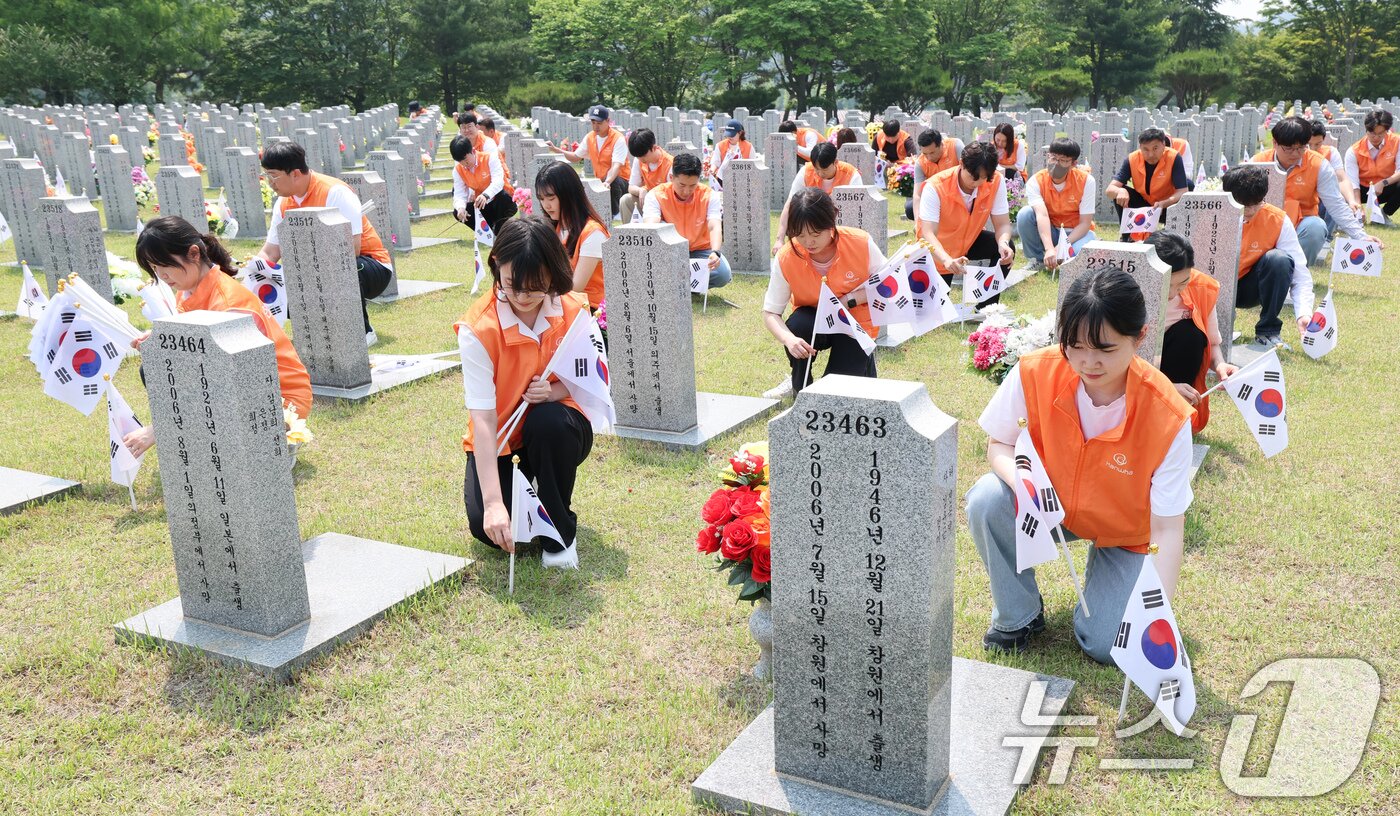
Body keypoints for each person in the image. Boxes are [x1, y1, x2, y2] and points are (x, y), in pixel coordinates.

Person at [966, 267, 1195, 658]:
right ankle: (1018, 615)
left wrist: (1158, 618)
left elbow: (1168, 529)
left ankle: (1108, 585)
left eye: (1105, 349)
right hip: (1049, 506)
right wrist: (1021, 483)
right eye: (1075, 346)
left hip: (1125, 533)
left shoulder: (1167, 415)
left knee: (1109, 646)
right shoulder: (1035, 371)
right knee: (987, 499)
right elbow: (999, 443)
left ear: (1139, 337)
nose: (1088, 362)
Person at [455, 216, 594, 569]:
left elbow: (591, 376)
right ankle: (524, 496)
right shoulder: (478, 329)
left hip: (558, 429)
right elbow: (483, 420)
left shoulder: (573, 310)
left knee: (548, 424)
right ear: (496, 265)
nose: (521, 297)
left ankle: (559, 536)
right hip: (502, 438)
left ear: (552, 275)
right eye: (511, 284)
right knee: (488, 528)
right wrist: (493, 504)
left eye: (534, 287)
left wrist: (553, 392)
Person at [121, 216, 313, 458]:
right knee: (154, 366)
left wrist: (160, 427)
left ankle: (274, 446)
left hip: (279, 398)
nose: (162, 275)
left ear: (193, 253)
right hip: (240, 385)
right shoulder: (188, 290)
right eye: (154, 268)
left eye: (164, 265)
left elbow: (228, 379)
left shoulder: (229, 304)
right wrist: (161, 338)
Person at [256, 141, 392, 345]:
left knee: (337, 269)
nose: (270, 183)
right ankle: (321, 330)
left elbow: (351, 249)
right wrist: (254, 270)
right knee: (273, 281)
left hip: (368, 266)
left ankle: (362, 332)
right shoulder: (283, 203)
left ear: (295, 173)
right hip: (317, 267)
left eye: (273, 176)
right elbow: (271, 252)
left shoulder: (335, 192)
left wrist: (307, 267)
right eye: (267, 175)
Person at [763, 188, 885, 394]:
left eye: (815, 234)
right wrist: (789, 340)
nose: (808, 242)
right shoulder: (787, 256)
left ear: (831, 222)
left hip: (854, 323)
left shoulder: (860, 243)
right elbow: (770, 312)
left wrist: (848, 300)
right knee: (797, 326)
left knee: (836, 392)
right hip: (813, 321)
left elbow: (887, 283)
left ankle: (863, 366)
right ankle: (799, 385)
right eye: (800, 235)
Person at [1251, 116, 1376, 264]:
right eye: (1289, 148)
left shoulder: (1318, 164)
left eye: (1301, 148)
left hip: (1302, 226)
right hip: (1263, 224)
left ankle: (1297, 272)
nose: (1295, 154)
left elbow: (1336, 204)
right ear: (1275, 143)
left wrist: (1361, 237)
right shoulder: (1257, 163)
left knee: (1316, 227)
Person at [1144, 232, 1235, 433]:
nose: (1172, 293)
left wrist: (1220, 365)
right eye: (1166, 284)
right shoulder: (1126, 286)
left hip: (1171, 367)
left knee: (1191, 335)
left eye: (1182, 283)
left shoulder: (1201, 287)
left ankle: (1171, 418)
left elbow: (1211, 342)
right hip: (1130, 371)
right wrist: (1164, 387)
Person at [1221, 165, 1314, 349]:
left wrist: (1304, 313)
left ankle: (1268, 331)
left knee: (1279, 260)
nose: (1250, 211)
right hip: (1216, 285)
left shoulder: (1277, 219)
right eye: (1243, 205)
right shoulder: (1213, 212)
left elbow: (1300, 273)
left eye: (1256, 204)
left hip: (1249, 288)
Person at [917, 141, 1015, 307]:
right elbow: (928, 234)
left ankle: (986, 308)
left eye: (984, 178)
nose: (977, 183)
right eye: (973, 176)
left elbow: (1002, 224)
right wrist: (946, 260)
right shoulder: (936, 187)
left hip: (969, 241)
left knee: (1005, 248)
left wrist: (1003, 243)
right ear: (961, 163)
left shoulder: (996, 181)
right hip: (937, 253)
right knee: (935, 312)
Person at [642, 153, 731, 289]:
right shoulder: (656, 195)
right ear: (671, 178)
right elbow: (650, 226)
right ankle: (687, 283)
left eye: (692, 185)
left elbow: (714, 226)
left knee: (722, 274)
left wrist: (715, 252)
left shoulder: (709, 195)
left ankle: (680, 285)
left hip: (700, 250)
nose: (686, 191)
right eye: (682, 185)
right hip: (670, 250)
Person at [534, 162, 609, 311]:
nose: (546, 205)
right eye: (541, 199)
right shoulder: (555, 227)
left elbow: (575, 287)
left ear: (569, 195)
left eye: (551, 198)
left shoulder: (592, 233)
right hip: (563, 303)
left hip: (591, 310)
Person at [1017, 138, 1097, 272]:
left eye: (1063, 160)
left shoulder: (1086, 181)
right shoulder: (1036, 181)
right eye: (1053, 158)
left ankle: (1070, 253)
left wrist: (1062, 247)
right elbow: (1041, 215)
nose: (1056, 164)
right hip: (1052, 230)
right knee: (1025, 214)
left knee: (1076, 259)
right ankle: (1036, 259)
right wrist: (1049, 248)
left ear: (1073, 163)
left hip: (1076, 233)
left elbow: (1085, 223)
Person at [773, 143, 863, 252]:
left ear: (835, 162)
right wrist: (779, 239)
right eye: (816, 169)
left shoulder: (852, 175)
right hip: (810, 227)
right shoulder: (806, 172)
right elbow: (790, 204)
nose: (820, 173)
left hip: (840, 229)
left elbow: (856, 213)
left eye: (824, 170)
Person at [1104, 128, 1190, 239]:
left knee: (1188, 189)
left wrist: (1164, 203)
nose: (1151, 154)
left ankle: (1173, 235)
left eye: (1155, 148)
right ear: (1140, 147)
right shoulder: (1132, 159)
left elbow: (1182, 191)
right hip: (1144, 204)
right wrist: (1120, 191)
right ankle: (1127, 237)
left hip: (1166, 206)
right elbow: (1109, 190)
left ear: (1163, 145)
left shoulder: (1174, 157)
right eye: (1146, 149)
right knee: (1121, 193)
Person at [548, 105, 630, 218]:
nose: (596, 126)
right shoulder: (590, 137)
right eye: (593, 122)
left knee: (613, 183)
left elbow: (616, 166)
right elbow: (576, 157)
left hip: (621, 181)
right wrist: (557, 150)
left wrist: (607, 182)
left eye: (599, 123)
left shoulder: (617, 138)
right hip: (601, 180)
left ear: (608, 121)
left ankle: (614, 215)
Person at [450, 134, 517, 236]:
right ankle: (488, 232)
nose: (464, 165)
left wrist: (486, 195)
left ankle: (499, 229)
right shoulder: (458, 170)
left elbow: (498, 181)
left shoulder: (489, 158)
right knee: (457, 212)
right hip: (482, 205)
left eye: (466, 160)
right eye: (460, 162)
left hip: (501, 201)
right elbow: (459, 193)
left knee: (502, 196)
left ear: (473, 151)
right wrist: (460, 208)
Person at [1308, 118, 1364, 228]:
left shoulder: (1331, 152)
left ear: (1323, 139)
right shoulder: (1296, 154)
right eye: (1309, 144)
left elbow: (1341, 179)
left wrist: (1351, 201)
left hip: (1323, 198)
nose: (1313, 149)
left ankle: (1328, 235)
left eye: (1317, 144)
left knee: (1336, 195)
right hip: (1305, 199)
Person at [1345, 108, 1400, 218]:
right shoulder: (1354, 151)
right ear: (1366, 130)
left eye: (1380, 134)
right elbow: (1353, 184)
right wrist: (1358, 207)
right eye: (1372, 133)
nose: (1376, 138)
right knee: (1341, 189)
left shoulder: (1397, 142)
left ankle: (1384, 214)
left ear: (1387, 131)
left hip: (1386, 187)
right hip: (1363, 190)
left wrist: (1383, 183)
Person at [907, 129, 964, 224]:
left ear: (941, 144)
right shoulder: (920, 163)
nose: (929, 157)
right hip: (937, 198)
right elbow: (917, 195)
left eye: (932, 153)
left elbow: (969, 172)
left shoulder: (955, 146)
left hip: (959, 195)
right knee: (910, 209)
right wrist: (917, 222)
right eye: (925, 154)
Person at [618, 128, 673, 224]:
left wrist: (652, 196)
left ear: (654, 148)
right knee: (625, 200)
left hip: (665, 205)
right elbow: (631, 187)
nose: (641, 160)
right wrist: (640, 190)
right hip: (647, 201)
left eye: (644, 156)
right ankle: (630, 232)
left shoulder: (670, 164)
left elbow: (671, 196)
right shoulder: (639, 160)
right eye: (638, 156)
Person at [709, 118, 754, 190]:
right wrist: (712, 170)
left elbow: (753, 165)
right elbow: (716, 162)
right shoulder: (720, 145)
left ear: (740, 133)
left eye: (732, 135)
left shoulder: (748, 146)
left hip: (743, 180)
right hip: (724, 179)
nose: (729, 137)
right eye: (728, 134)